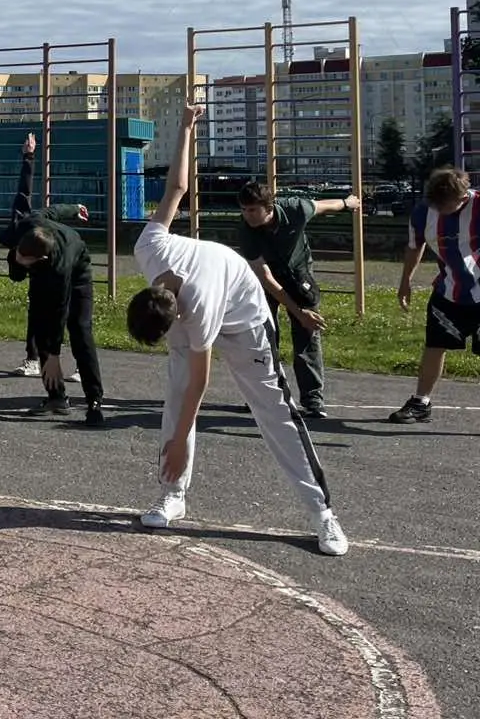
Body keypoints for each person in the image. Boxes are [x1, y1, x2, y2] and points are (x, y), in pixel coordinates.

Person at [126, 103, 348, 556]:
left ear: (176, 319)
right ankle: (173, 496)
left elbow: (201, 384)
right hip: (202, 305)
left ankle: (323, 514)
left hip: (246, 321)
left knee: (274, 413)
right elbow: (178, 187)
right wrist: (186, 126)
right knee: (173, 403)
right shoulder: (148, 248)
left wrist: (180, 443)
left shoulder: (198, 306)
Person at [0, 133, 105, 426]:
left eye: (23, 259)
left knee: (80, 330)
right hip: (42, 267)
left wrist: (55, 354)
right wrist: (75, 208)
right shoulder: (28, 223)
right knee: (39, 326)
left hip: (78, 274)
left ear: (41, 260)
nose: (18, 259)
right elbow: (46, 206)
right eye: (17, 253)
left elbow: (59, 311)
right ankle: (56, 397)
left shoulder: (59, 267)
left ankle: (94, 401)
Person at [236, 180, 360, 420]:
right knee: (264, 335)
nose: (247, 215)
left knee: (308, 334)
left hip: (299, 273)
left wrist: (347, 203)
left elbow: (323, 206)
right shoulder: (246, 232)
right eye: (243, 209)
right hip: (267, 279)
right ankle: (263, 394)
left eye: (252, 210)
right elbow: (266, 279)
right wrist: (297, 311)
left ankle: (313, 400)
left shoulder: (295, 209)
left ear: (269, 208)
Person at [387, 167, 480, 425]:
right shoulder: (423, 212)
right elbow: (414, 246)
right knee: (434, 346)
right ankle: (421, 402)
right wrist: (405, 282)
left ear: (462, 198)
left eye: (445, 206)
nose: (439, 210)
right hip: (448, 292)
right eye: (436, 204)